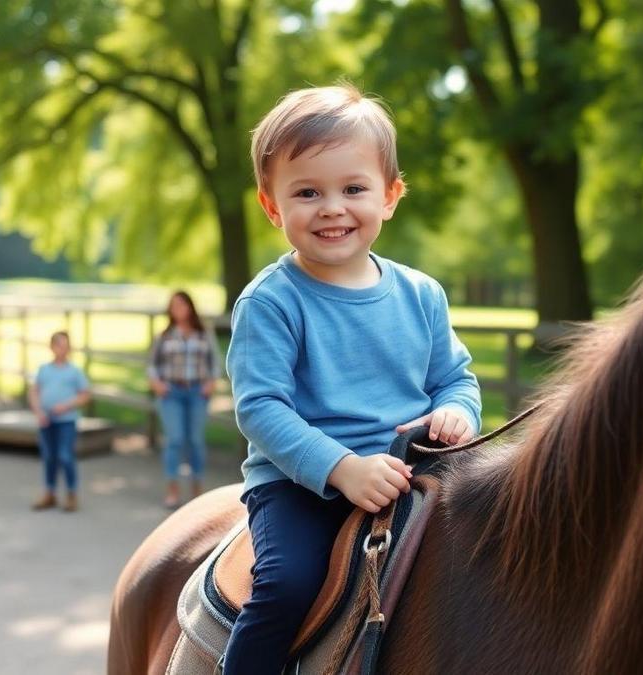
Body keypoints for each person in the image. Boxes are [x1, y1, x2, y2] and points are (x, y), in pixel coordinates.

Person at [221, 84, 482, 674]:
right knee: (286, 586)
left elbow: (455, 379)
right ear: (272, 207)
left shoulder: (421, 294)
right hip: (301, 484)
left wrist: (459, 412)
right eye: (308, 192)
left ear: (389, 197)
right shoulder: (272, 301)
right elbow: (260, 408)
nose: (332, 207)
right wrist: (342, 468)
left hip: (413, 472)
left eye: (353, 189)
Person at [147, 290, 220, 508]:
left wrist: (211, 383)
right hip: (171, 393)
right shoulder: (164, 336)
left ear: (190, 307)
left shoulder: (204, 333)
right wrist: (157, 384)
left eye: (182, 305)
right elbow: (152, 364)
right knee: (174, 440)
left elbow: (214, 361)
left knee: (195, 441)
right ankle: (173, 488)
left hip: (197, 392)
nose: (178, 309)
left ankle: (197, 488)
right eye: (174, 306)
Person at [28, 330, 91, 512]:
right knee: (49, 457)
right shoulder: (44, 370)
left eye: (65, 346)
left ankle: (71, 493)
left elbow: (85, 395)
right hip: (46, 420)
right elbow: (34, 391)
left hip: (66, 420)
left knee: (65, 455)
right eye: (58, 346)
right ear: (52, 347)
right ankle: (50, 492)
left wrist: (67, 405)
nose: (61, 350)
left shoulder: (74, 372)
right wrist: (38, 411)